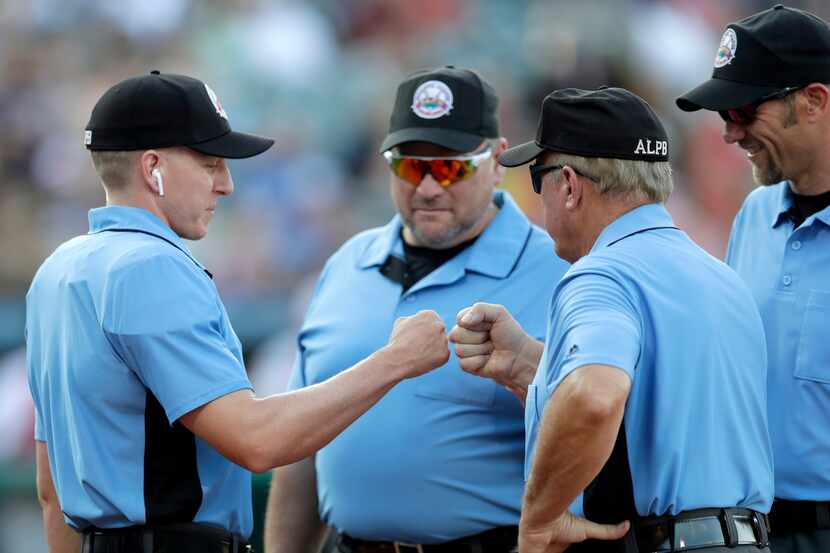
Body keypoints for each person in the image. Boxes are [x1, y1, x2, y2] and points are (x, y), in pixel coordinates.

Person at [25, 71, 450, 553]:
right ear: (152, 168)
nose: (226, 184)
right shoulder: (151, 266)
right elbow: (256, 440)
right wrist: (397, 360)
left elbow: (50, 488)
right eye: (209, 164)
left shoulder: (57, 270)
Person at [450, 86, 774, 553]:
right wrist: (532, 363)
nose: (538, 197)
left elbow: (595, 396)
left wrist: (539, 520)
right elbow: (661, 406)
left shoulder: (601, 274)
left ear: (569, 184)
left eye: (538, 179)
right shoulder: (720, 276)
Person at [263, 66, 569, 553]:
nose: (427, 187)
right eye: (410, 166)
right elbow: (302, 443)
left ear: (495, 160)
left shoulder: (557, 269)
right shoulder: (347, 263)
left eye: (449, 167)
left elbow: (604, 433)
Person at [676, 5, 830, 552]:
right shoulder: (755, 216)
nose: (729, 133)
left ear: (814, 100)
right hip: (748, 529)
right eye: (723, 115)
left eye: (742, 110)